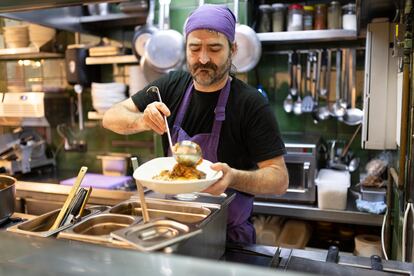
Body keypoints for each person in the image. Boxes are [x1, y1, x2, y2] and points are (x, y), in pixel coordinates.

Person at [103, 4, 288, 244]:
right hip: (172, 229)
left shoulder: (250, 103)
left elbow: (279, 179)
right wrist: (143, 120)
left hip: (227, 239)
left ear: (232, 49)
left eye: (214, 48)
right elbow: (111, 117)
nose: (203, 58)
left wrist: (233, 178)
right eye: (194, 48)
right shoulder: (171, 86)